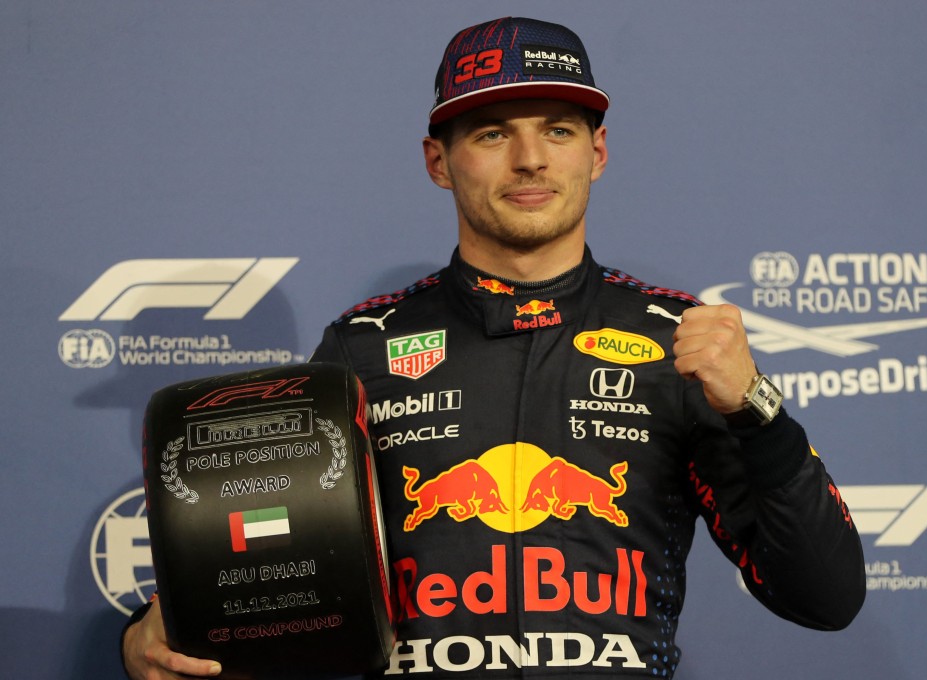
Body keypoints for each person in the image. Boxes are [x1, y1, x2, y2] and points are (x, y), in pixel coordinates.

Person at [122, 16, 865, 679]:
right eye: (491, 133)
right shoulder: (360, 350)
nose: (530, 158)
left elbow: (826, 599)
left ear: (597, 152)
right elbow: (279, 580)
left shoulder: (675, 343)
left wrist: (760, 413)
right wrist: (153, 637)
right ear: (438, 161)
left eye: (558, 129)